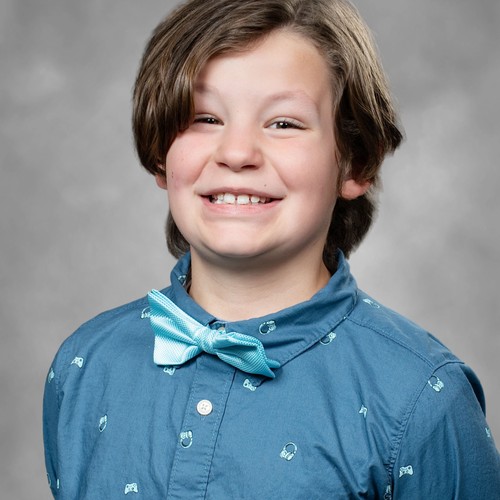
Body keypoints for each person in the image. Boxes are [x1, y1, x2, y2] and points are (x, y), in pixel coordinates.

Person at [43, 0, 500, 498]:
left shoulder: (424, 399)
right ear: (161, 155)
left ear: (354, 163)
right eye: (204, 117)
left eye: (284, 123)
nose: (237, 153)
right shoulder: (85, 365)